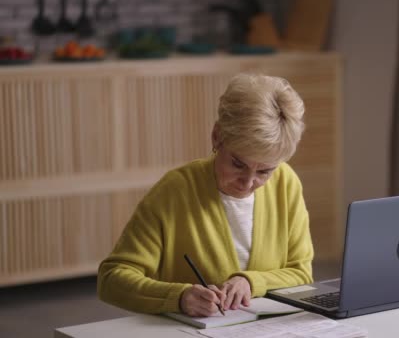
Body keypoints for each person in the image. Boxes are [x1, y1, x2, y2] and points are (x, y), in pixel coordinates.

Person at [97, 74, 314, 317]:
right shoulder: (175, 190)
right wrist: (178, 297)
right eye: (238, 164)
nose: (249, 183)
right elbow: (112, 280)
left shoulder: (286, 183)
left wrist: (250, 282)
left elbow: (301, 274)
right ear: (217, 137)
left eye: (265, 171)